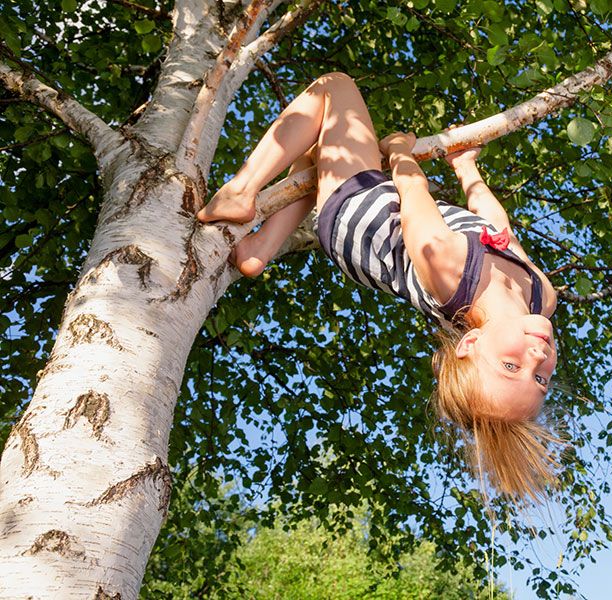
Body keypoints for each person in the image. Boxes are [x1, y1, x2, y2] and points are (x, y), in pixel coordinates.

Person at [196, 72, 564, 502]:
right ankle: (260, 248)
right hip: (379, 209)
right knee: (317, 141)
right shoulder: (542, 293)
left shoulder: (450, 273)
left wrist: (400, 152)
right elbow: (498, 227)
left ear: (470, 345)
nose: (537, 357)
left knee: (334, 88)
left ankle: (241, 190)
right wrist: (466, 168)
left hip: (359, 216)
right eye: (539, 378)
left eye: (510, 366)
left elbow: (413, 191)